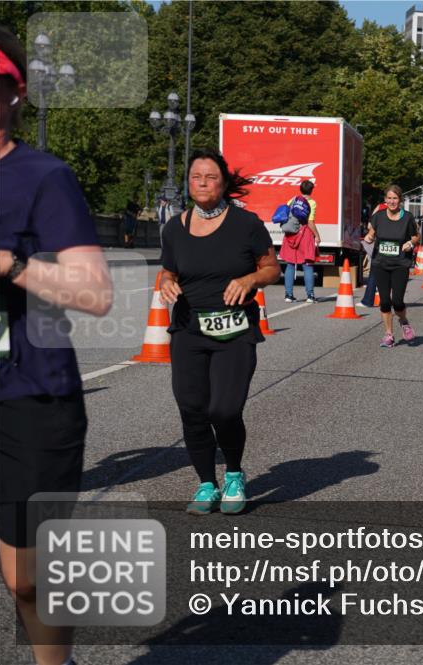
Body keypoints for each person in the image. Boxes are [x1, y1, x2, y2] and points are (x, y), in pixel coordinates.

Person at [0, 28, 114, 665]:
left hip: (29, 394)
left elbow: (96, 294)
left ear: (15, 94)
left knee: (25, 578)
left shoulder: (44, 177)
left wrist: (9, 266)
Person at [159, 149, 278, 515]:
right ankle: (207, 482)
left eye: (211, 177)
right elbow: (169, 271)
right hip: (188, 329)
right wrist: (165, 282)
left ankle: (235, 474)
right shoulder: (175, 228)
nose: (203, 183)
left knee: (224, 410)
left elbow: (271, 268)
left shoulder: (246, 225)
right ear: (189, 182)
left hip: (234, 329)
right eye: (197, 177)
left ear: (224, 182)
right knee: (192, 408)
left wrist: (250, 279)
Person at [364, 185, 419, 348]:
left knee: (397, 301)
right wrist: (368, 238)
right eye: (389, 198)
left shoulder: (407, 217)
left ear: (400, 200)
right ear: (385, 200)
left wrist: (410, 242)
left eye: (395, 198)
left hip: (400, 263)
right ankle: (388, 334)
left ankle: (404, 321)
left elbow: (416, 236)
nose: (392, 201)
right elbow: (371, 234)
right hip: (380, 263)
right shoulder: (379, 216)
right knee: (385, 301)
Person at [280, 179, 320, 303]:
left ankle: (288, 295)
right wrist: (317, 236)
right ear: (311, 190)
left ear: (300, 189)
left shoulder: (292, 200)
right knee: (307, 265)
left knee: (290, 264)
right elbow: (310, 222)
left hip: (291, 234)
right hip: (305, 234)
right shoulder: (312, 203)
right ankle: (310, 295)